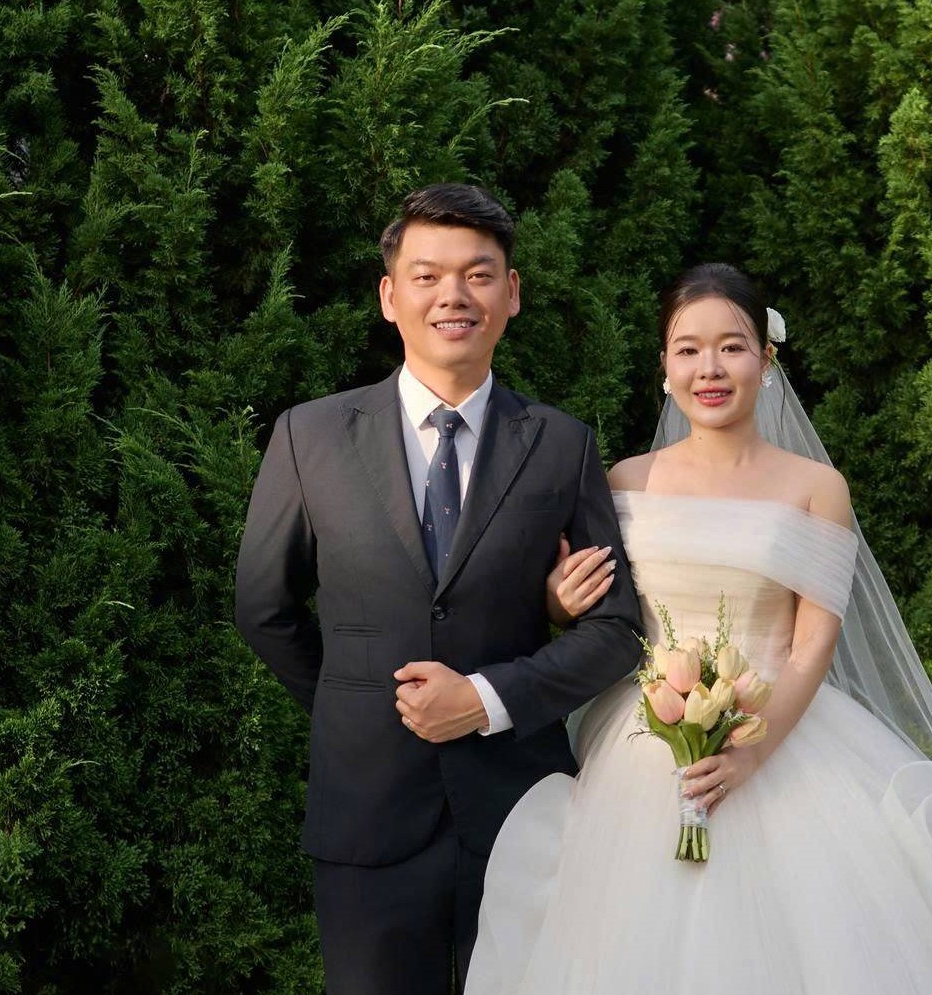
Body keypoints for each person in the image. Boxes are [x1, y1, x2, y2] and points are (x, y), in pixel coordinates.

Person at [465, 263, 932, 995]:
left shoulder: (815, 488)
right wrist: (557, 601)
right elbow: (604, 616)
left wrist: (751, 754)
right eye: (688, 349)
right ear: (665, 366)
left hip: (782, 736)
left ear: (766, 359)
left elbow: (811, 645)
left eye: (732, 347)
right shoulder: (625, 481)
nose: (710, 368)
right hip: (646, 745)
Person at [233, 184, 644, 995]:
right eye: (427, 276)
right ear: (390, 296)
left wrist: (486, 700)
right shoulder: (310, 435)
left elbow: (618, 630)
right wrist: (357, 703)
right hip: (366, 809)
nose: (453, 295)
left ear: (512, 292)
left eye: (478, 274)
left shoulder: (561, 444)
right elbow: (263, 608)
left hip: (520, 808)